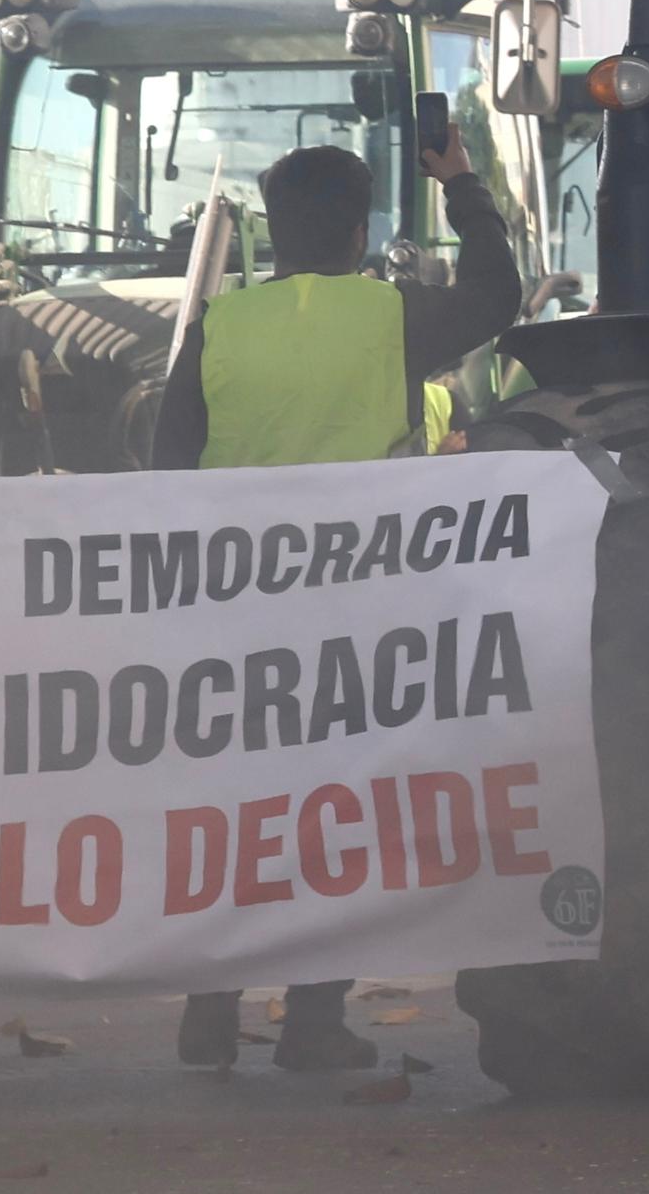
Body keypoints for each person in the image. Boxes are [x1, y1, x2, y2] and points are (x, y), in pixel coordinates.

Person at [159, 116, 526, 1074]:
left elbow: (165, 463)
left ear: (275, 231)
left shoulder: (217, 327)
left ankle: (209, 1008)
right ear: (360, 234)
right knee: (335, 813)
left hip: (234, 613)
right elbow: (498, 292)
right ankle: (312, 1022)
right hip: (361, 613)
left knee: (242, 810)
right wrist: (461, 182)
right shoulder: (392, 314)